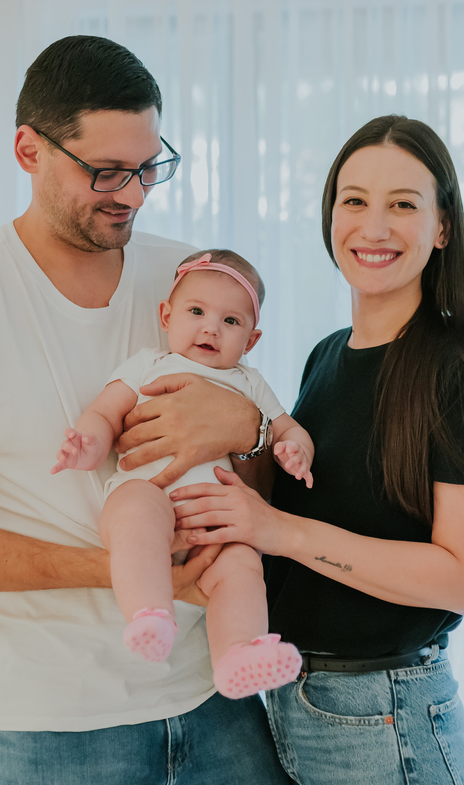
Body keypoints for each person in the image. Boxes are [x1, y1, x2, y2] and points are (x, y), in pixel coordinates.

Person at [0, 36, 292, 784]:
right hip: (53, 731)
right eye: (106, 171)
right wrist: (124, 568)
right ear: (29, 150)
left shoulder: (192, 279)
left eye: (149, 166)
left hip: (221, 705)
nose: (134, 193)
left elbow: (260, 488)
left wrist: (246, 429)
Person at [171, 115, 464, 784]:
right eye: (354, 200)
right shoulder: (326, 356)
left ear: (443, 227)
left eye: (403, 204)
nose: (373, 227)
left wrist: (279, 530)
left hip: (386, 715)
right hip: (289, 702)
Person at [50, 249, 312, 698]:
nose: (211, 327)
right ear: (166, 316)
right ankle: (150, 615)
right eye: (196, 312)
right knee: (137, 518)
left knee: (242, 565)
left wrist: (295, 450)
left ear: (251, 340)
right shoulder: (148, 364)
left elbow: (284, 428)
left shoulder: (250, 383)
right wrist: (87, 443)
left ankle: (238, 656)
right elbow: (105, 413)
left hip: (214, 516)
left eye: (231, 322)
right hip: (147, 491)